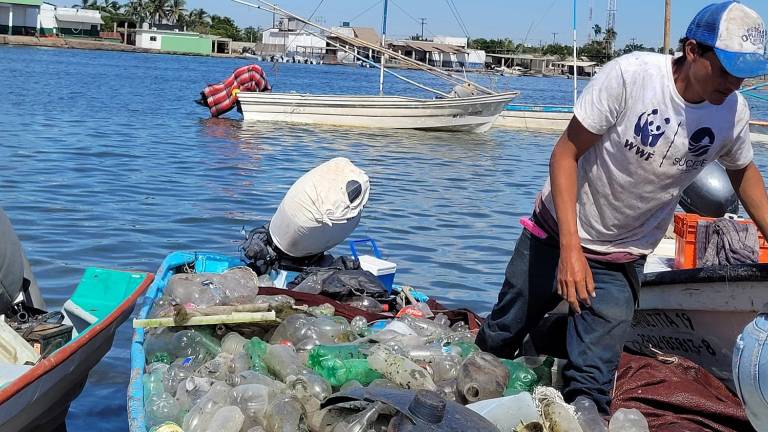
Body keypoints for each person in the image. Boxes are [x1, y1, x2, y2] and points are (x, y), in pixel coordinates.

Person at [476, 0, 768, 414]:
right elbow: (564, 155)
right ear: (692, 51)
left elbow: (742, 172)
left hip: (621, 255)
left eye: (743, 73)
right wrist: (570, 252)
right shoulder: (632, 76)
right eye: (724, 69)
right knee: (498, 341)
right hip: (557, 234)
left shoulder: (733, 112)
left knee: (591, 389)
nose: (733, 84)